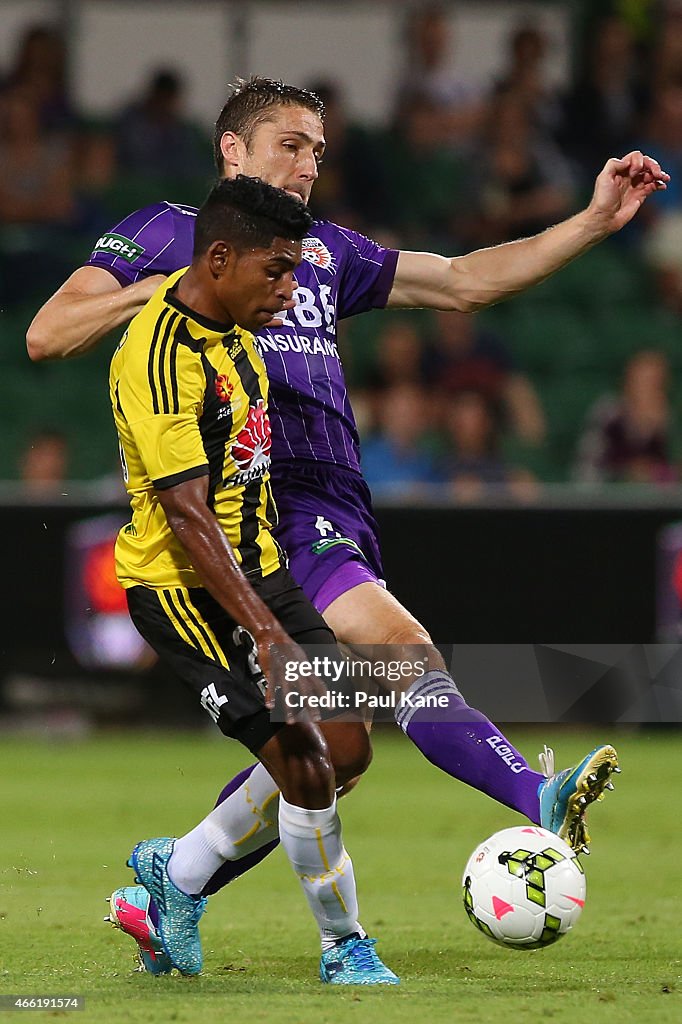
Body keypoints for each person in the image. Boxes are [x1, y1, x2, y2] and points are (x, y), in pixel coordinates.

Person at [27, 77, 647, 971]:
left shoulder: (325, 252)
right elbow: (51, 333)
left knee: (338, 750)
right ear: (232, 151)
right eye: (291, 142)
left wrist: (591, 223)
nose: (311, 161)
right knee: (403, 657)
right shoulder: (167, 231)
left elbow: (465, 281)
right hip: (266, 515)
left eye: (319, 147)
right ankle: (530, 796)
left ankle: (178, 873)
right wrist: (182, 279)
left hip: (337, 509)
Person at [107, 172, 398, 985]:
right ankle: (346, 947)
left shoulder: (236, 324)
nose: (290, 289)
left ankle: (182, 872)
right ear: (221, 257)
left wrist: (273, 601)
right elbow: (188, 519)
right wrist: (265, 632)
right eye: (276, 271)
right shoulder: (160, 354)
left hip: (259, 572)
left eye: (296, 271)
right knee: (305, 761)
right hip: (185, 589)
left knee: (347, 747)